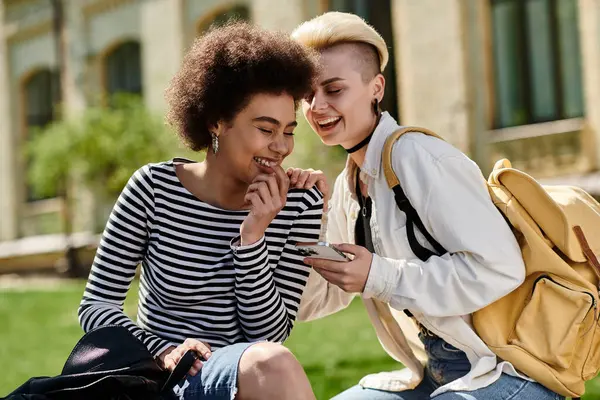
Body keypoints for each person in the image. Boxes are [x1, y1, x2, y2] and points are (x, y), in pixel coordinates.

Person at [293, 12, 563, 400]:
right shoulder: (348, 184)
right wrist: (293, 219)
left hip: (503, 369)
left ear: (376, 88)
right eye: (306, 95)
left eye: (334, 90)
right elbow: (320, 299)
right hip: (429, 373)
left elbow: (502, 269)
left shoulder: (420, 158)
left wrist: (380, 275)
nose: (316, 106)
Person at [78, 22, 324, 400]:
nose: (281, 147)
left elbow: (270, 336)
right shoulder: (153, 189)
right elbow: (95, 306)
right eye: (265, 129)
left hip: (245, 374)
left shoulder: (299, 204)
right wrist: (162, 350)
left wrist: (253, 236)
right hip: (160, 380)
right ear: (217, 122)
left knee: (271, 362)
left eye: (289, 131)